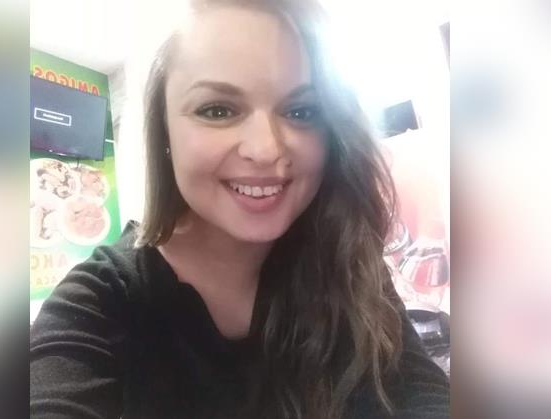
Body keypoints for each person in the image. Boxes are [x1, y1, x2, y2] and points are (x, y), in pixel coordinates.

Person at [30, 0, 449, 418]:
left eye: (301, 111)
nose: (266, 149)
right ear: (165, 133)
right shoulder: (99, 302)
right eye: (218, 110)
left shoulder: (347, 263)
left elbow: (423, 391)